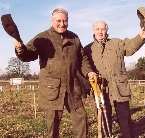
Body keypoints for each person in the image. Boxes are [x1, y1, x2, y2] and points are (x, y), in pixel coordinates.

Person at [12, 8, 96, 138]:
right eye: (59, 21)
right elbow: (28, 54)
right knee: (53, 125)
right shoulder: (42, 37)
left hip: (73, 86)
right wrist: (20, 49)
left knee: (81, 118)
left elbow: (83, 58)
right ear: (52, 21)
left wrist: (89, 72)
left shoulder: (74, 38)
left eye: (65, 21)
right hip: (52, 88)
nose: (62, 24)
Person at [84, 20, 145, 138]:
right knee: (104, 119)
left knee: (124, 119)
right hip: (101, 89)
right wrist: (89, 75)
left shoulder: (116, 43)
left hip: (119, 88)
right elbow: (83, 64)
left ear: (107, 30)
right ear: (93, 31)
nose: (100, 32)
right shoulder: (88, 49)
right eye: (97, 29)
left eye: (103, 29)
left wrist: (140, 37)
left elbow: (130, 46)